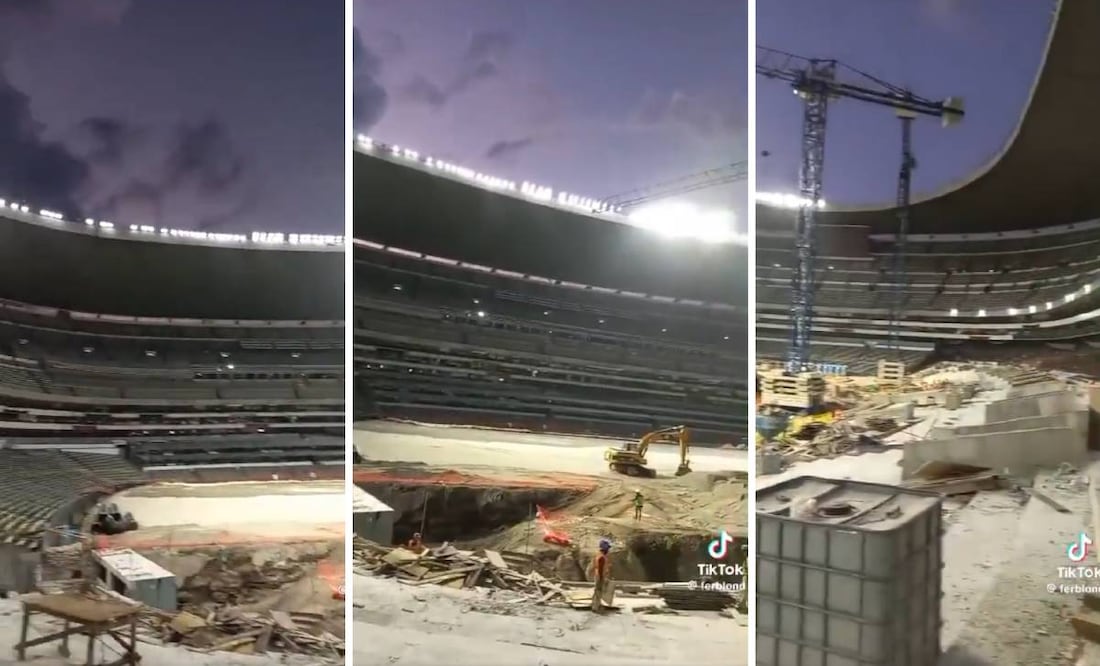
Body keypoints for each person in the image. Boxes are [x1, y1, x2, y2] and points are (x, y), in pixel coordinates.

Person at [589, 538, 612, 612]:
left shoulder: (599, 555)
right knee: (598, 591)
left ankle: (594, 605)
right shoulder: (601, 557)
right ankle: (596, 607)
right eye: (608, 548)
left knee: (597, 591)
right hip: (600, 576)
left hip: (598, 575)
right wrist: (603, 578)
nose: (608, 550)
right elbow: (601, 569)